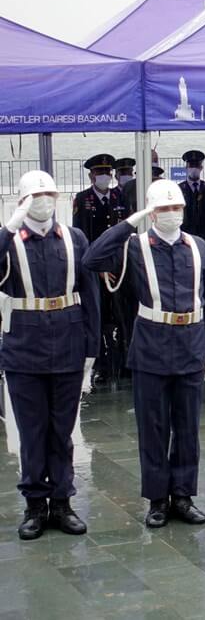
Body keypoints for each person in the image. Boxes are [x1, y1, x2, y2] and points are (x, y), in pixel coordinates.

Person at [83, 179, 205, 529]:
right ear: (151, 212)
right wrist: (131, 222)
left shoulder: (199, 246)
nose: (171, 214)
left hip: (191, 343)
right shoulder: (135, 246)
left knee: (188, 428)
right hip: (151, 346)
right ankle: (158, 499)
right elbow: (92, 258)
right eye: (163, 209)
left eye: (176, 208)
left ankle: (183, 495)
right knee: (153, 428)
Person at [1, 171, 99, 540]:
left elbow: (90, 294)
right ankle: (34, 506)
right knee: (32, 431)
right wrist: (7, 229)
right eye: (36, 196)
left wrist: (92, 346)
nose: (44, 201)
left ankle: (61, 501)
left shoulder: (73, 238)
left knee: (62, 430)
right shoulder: (10, 243)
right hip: (25, 347)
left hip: (68, 342)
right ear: (23, 201)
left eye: (49, 194)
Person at [73, 153, 129, 385]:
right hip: (96, 270)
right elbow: (83, 237)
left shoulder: (120, 196)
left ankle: (125, 362)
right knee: (99, 318)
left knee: (122, 316)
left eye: (107, 172)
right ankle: (102, 365)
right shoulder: (83, 199)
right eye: (99, 173)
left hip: (119, 267)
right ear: (91, 175)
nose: (104, 176)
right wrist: (99, 268)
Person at [180, 150, 205, 238]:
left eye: (196, 165)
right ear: (186, 167)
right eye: (191, 166)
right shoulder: (179, 189)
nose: (194, 169)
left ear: (201, 168)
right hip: (185, 235)